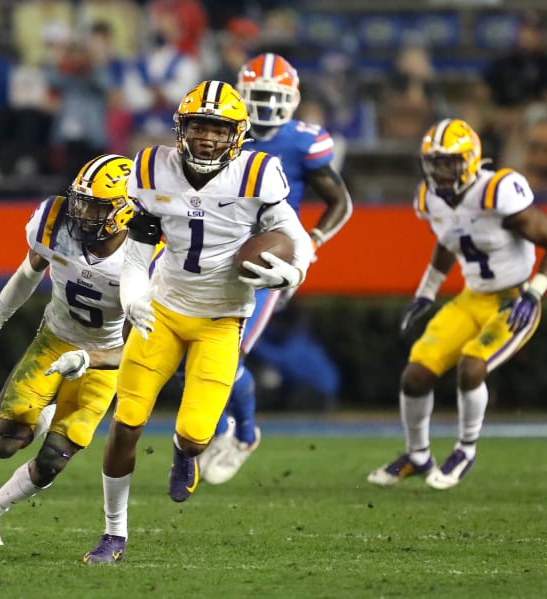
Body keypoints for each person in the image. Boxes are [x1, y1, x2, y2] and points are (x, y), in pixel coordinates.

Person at [83, 80, 313, 564]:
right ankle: (113, 533)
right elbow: (136, 254)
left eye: (217, 129)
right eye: (199, 127)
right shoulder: (150, 169)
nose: (207, 138)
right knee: (125, 423)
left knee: (196, 434)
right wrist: (132, 297)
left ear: (238, 134)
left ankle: (184, 452)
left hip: (221, 319)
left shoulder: (259, 174)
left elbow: (296, 236)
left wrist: (292, 272)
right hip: (163, 311)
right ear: (181, 128)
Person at [195, 53, 352, 485]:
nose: (263, 107)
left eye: (272, 97)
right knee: (192, 350)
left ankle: (242, 434)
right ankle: (223, 425)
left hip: (268, 260)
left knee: (230, 352)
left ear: (292, 99)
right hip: (216, 255)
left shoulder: (304, 142)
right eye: (257, 97)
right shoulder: (224, 135)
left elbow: (341, 202)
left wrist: (311, 243)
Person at [367, 118, 547, 491]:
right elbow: (448, 241)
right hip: (471, 298)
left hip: (512, 301)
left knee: (471, 366)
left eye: (449, 163)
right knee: (415, 374)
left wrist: (534, 291)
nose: (441, 172)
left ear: (471, 159)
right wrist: (426, 292)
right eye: (435, 163)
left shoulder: (497, 192)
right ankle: (417, 456)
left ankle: (465, 450)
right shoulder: (430, 198)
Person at [0, 154, 137, 546]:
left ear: (125, 211)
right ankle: (44, 408)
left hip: (106, 358)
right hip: (55, 339)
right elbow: (28, 273)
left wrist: (90, 360)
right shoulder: (54, 220)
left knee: (52, 460)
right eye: (80, 200)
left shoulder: (146, 253)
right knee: (3, 445)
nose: (82, 213)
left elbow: (137, 346)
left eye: (96, 206)